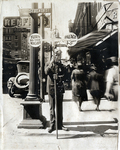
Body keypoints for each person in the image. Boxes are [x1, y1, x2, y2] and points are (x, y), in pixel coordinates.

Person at [45, 47, 68, 133]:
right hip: (51, 88)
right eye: (57, 55)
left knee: (59, 107)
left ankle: (60, 125)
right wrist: (51, 63)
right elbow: (46, 72)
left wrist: (62, 77)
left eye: (60, 55)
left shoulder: (61, 65)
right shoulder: (48, 63)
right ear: (54, 55)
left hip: (59, 88)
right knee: (52, 108)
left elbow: (66, 75)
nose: (59, 56)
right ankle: (52, 125)